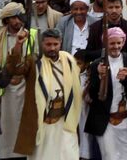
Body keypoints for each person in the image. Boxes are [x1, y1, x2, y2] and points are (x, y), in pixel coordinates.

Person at [17, 28, 81, 160]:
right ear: (42, 44)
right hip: (44, 121)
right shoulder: (34, 62)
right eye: (48, 44)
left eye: (55, 44)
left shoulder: (69, 60)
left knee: (68, 155)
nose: (52, 48)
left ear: (61, 43)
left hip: (65, 120)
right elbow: (14, 68)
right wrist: (19, 44)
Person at [84, 27, 127, 160]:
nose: (116, 47)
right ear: (105, 44)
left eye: (118, 43)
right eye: (112, 43)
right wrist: (99, 77)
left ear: (123, 43)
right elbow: (93, 96)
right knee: (110, 156)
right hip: (106, 120)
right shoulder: (97, 65)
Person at [0, 2, 36, 159]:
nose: (16, 21)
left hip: (26, 84)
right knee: (7, 123)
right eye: (12, 18)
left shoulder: (31, 34)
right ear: (6, 20)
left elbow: (36, 57)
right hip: (6, 85)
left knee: (25, 121)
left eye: (18, 17)